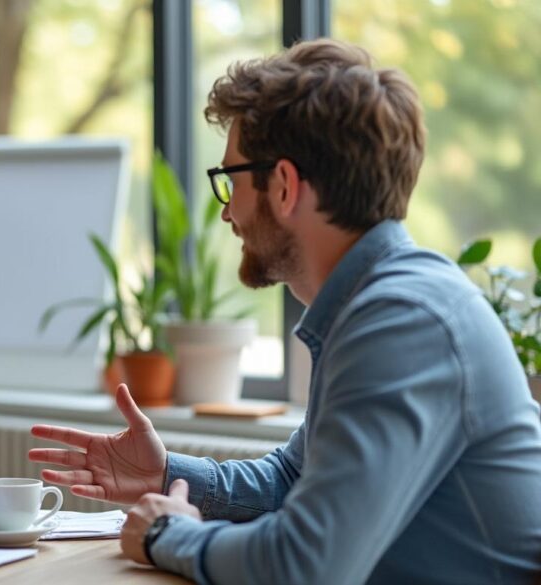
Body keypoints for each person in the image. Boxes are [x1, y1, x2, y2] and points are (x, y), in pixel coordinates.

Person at [29, 39, 541, 584]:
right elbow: (291, 478)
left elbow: (306, 564)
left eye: (231, 181)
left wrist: (167, 534)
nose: (227, 212)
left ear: (285, 186)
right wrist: (166, 474)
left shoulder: (403, 320)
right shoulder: (377, 303)